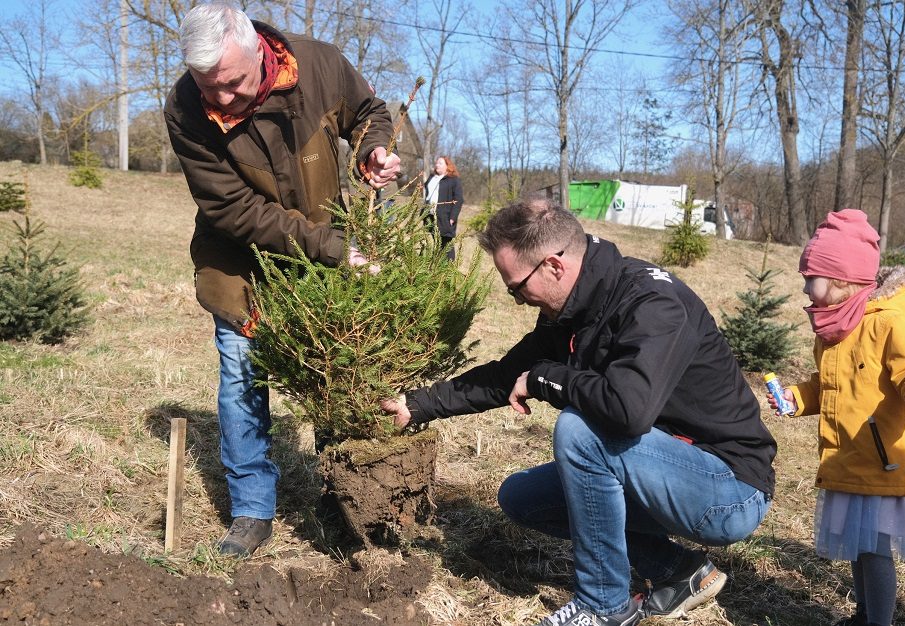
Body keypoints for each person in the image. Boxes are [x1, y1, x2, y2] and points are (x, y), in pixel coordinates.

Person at [382, 198, 776, 626]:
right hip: (659, 469)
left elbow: (628, 411)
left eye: (516, 287)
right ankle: (677, 570)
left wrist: (546, 379)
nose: (516, 300)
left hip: (728, 489)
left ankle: (603, 605)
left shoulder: (652, 303)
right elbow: (507, 375)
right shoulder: (571, 309)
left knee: (580, 431)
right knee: (524, 499)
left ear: (553, 265)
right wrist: (418, 405)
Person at [164, 2, 400, 557]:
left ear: (257, 50)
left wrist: (372, 150)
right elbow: (233, 211)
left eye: (231, 82)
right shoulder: (184, 108)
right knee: (242, 376)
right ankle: (252, 509)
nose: (221, 99)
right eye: (207, 87)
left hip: (329, 250)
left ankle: (343, 498)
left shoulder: (317, 64)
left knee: (338, 368)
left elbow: (368, 110)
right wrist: (333, 247)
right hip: (241, 259)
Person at [766, 209, 905, 626]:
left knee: (875, 550)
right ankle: (864, 614)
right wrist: (797, 397)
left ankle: (880, 621)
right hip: (846, 456)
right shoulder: (831, 330)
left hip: (882, 461)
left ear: (843, 279)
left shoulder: (889, 323)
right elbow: (823, 383)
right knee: (859, 549)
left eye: (813, 278)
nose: (806, 286)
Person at [423, 156, 464, 260]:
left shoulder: (453, 180)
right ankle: (437, 265)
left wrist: (453, 217)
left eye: (440, 163)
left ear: (447, 166)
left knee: (447, 244)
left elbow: (458, 199)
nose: (437, 165)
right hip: (430, 214)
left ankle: (448, 269)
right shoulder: (432, 177)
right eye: (436, 163)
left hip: (445, 217)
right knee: (436, 241)